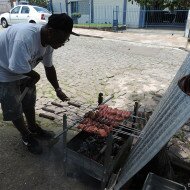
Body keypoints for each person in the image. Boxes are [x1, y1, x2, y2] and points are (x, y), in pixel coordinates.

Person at [0, 13, 79, 154]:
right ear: (50, 32)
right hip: (4, 68)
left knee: (29, 100)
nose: (62, 44)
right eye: (61, 40)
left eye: (65, 41)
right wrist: (35, 75)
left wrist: (58, 89)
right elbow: (15, 66)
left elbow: (49, 67)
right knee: (13, 105)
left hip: (22, 67)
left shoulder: (50, 42)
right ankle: (26, 136)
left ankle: (33, 128)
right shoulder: (25, 38)